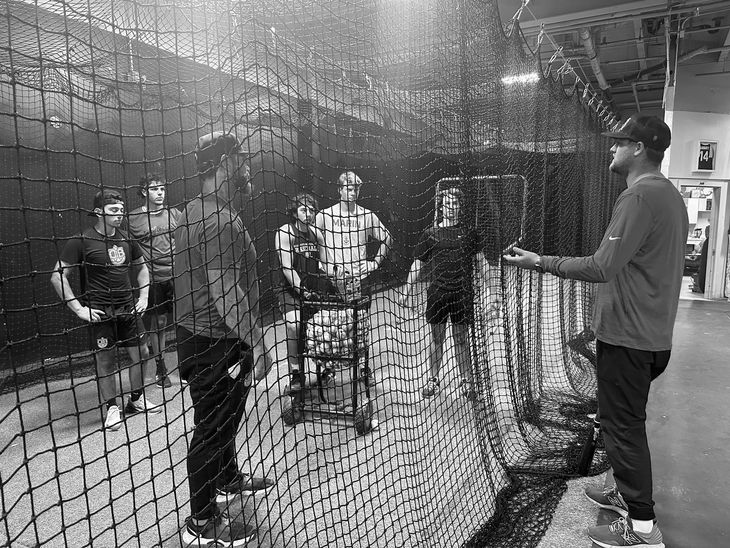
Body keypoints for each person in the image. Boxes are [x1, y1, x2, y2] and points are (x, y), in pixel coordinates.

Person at [504, 114, 687, 548]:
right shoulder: (667, 195)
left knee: (623, 427)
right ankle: (623, 491)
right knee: (620, 421)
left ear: (639, 149)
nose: (612, 149)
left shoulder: (640, 197)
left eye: (619, 143)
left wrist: (539, 262)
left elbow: (602, 266)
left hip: (630, 336)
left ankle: (643, 529)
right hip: (648, 335)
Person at [174, 131, 277, 546]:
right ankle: (201, 521)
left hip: (201, 338)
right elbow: (226, 294)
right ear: (223, 166)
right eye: (242, 160)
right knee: (213, 425)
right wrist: (258, 341)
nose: (248, 168)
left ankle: (227, 476)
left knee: (223, 414)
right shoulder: (218, 220)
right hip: (216, 338)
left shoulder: (194, 211)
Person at [50, 189, 161, 431]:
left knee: (142, 354)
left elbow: (142, 269)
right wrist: (79, 309)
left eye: (121, 211)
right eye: (113, 211)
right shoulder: (81, 240)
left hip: (128, 309)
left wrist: (143, 296)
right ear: (99, 212)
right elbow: (58, 277)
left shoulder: (126, 238)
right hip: (100, 311)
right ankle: (112, 407)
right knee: (105, 360)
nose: (119, 215)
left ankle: (136, 399)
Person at [398, 186, 478, 400]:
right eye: (447, 204)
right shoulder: (430, 234)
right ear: (440, 207)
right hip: (437, 294)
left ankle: (467, 382)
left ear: (460, 207)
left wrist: (493, 293)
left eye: (455, 204)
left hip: (462, 293)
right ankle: (433, 379)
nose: (450, 208)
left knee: (461, 339)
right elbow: (417, 263)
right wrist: (406, 291)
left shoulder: (469, 232)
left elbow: (481, 262)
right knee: (437, 339)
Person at [275, 192, 338, 391]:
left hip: (312, 290)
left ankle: (325, 367)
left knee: (323, 327)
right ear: (294, 212)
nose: (309, 213)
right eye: (304, 209)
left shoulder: (316, 234)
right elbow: (287, 268)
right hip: (289, 290)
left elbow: (327, 265)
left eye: (312, 210)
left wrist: (342, 276)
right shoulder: (285, 232)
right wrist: (302, 290)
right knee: (294, 325)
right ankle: (295, 373)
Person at [127, 173, 181, 388]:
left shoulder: (175, 213)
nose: (159, 193)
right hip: (153, 279)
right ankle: (161, 367)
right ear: (144, 192)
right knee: (158, 324)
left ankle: (188, 364)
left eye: (162, 189)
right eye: (154, 189)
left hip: (177, 276)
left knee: (184, 320)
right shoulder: (133, 219)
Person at [315, 171, 392, 299]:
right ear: (340, 190)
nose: (353, 193)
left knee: (360, 317)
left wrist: (375, 263)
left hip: (359, 278)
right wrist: (325, 265)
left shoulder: (367, 215)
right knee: (333, 318)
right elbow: (311, 239)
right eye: (349, 189)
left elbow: (387, 238)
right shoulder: (325, 215)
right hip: (333, 279)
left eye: (356, 190)